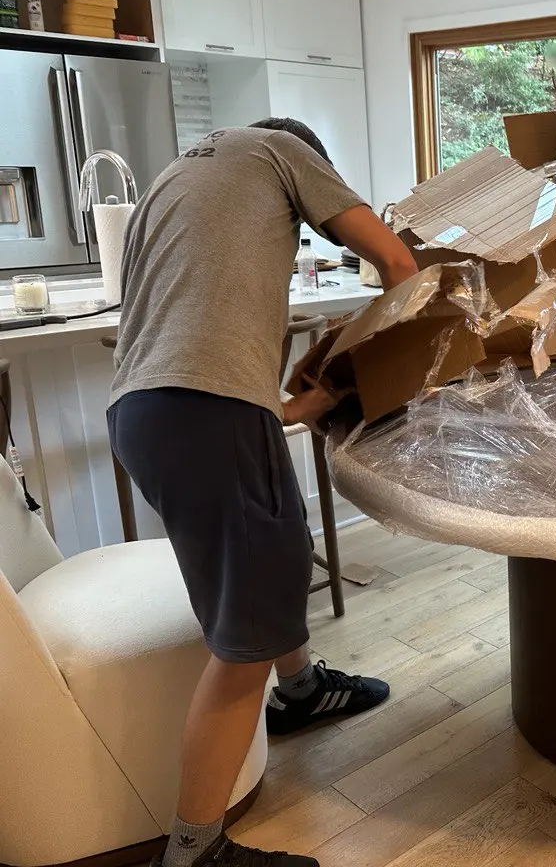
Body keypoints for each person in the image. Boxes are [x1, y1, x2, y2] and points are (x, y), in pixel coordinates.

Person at [108, 118, 419, 867]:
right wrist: (390, 358)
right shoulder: (283, 151)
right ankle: (193, 851)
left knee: (276, 549)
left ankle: (304, 689)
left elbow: (186, 325)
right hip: (203, 413)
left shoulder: (176, 176)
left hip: (144, 411)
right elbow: (399, 265)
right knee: (241, 643)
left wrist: (286, 408)